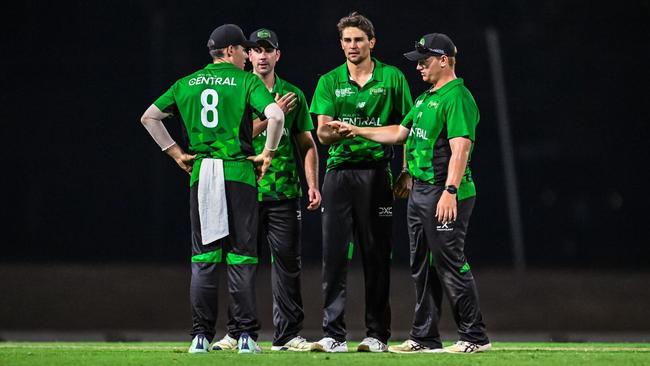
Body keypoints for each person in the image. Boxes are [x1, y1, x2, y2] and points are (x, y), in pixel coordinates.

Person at [328, 33, 491, 353]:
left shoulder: (456, 96)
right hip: (421, 192)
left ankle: (474, 337)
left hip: (444, 191)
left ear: (444, 60)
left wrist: (450, 191)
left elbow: (461, 149)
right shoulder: (425, 98)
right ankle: (424, 337)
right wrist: (357, 130)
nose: (418, 67)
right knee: (423, 265)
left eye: (424, 61)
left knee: (449, 262)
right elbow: (399, 133)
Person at [139, 23, 285, 354]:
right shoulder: (246, 81)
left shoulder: (186, 83)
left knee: (204, 258)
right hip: (238, 171)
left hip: (203, 172)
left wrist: (176, 153)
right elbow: (275, 116)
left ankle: (200, 337)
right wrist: (268, 155)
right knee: (242, 256)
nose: (249, 57)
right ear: (231, 51)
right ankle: (246, 337)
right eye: (244, 51)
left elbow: (149, 117)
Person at [211, 28, 320, 352]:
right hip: (244, 191)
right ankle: (237, 332)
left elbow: (307, 143)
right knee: (241, 263)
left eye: (266, 49)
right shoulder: (237, 90)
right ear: (247, 55)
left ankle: (287, 336)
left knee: (288, 264)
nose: (260, 55)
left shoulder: (293, 94)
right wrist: (274, 115)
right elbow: (231, 138)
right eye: (255, 50)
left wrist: (313, 184)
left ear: (277, 55)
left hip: (285, 193)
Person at [309, 12, 413, 353]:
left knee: (376, 255)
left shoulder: (393, 77)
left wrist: (407, 170)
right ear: (341, 44)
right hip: (338, 175)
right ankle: (333, 335)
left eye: (358, 40)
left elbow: (408, 131)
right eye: (347, 40)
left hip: (376, 174)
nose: (352, 46)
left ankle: (377, 335)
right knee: (334, 256)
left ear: (372, 42)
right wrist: (332, 131)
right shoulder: (328, 80)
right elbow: (322, 133)